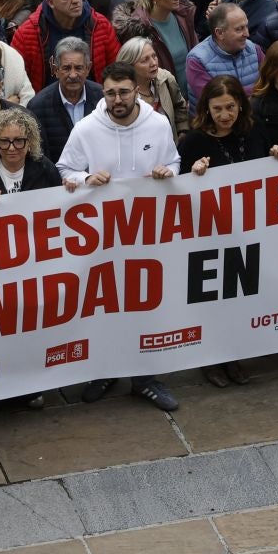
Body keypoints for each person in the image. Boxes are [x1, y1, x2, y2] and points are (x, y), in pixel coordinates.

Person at [57, 62, 182, 411]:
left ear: (136, 90)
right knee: (106, 306)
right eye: (110, 92)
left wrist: (166, 171)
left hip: (147, 234)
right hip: (102, 239)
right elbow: (65, 170)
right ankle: (106, 370)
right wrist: (85, 180)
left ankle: (145, 379)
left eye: (124, 91)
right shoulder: (85, 129)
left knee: (146, 305)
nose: (117, 99)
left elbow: (175, 162)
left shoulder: (157, 124)